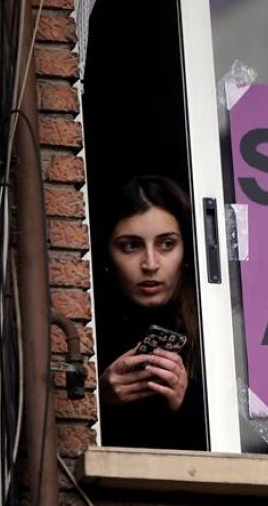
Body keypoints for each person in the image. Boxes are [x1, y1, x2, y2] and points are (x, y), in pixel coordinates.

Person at [95, 175, 207, 450]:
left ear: (187, 252)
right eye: (130, 246)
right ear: (107, 255)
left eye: (166, 244)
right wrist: (97, 399)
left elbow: (264, 435)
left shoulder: (216, 325)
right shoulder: (90, 330)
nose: (150, 264)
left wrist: (187, 401)